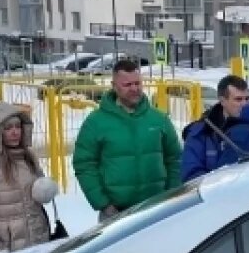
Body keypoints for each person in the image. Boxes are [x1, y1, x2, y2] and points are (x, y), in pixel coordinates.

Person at [72, 58, 182, 222]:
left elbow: (175, 159)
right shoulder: (95, 122)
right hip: (115, 214)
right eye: (127, 85)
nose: (134, 89)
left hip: (156, 210)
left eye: (137, 83)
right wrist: (103, 203)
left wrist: (171, 194)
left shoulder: (159, 119)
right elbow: (84, 164)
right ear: (114, 86)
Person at [0, 102, 60, 253]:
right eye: (7, 128)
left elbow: (37, 192)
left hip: (38, 239)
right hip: (10, 247)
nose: (14, 132)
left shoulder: (28, 157)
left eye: (18, 126)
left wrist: (44, 189)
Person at [179, 74, 248, 181]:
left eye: (246, 99)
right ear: (222, 100)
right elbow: (192, 175)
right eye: (238, 99)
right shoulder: (201, 133)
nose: (244, 104)